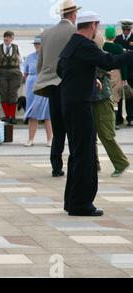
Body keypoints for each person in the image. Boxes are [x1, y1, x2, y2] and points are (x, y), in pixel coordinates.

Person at [57, 11, 133, 217]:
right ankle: (81, 204)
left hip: (69, 101)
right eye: (96, 27)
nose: (96, 31)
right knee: (86, 154)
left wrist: (87, 79)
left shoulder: (72, 43)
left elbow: (60, 69)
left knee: (77, 151)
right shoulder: (85, 45)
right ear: (92, 26)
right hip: (80, 104)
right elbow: (109, 61)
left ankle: (72, 200)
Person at [34, 0, 80, 178]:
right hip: (68, 85)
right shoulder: (74, 31)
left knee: (58, 129)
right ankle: (75, 164)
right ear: (73, 15)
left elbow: (40, 63)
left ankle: (56, 165)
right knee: (74, 128)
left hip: (50, 85)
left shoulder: (46, 33)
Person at [92, 31, 130, 178]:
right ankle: (93, 163)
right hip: (93, 99)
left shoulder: (99, 56)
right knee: (91, 134)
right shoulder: (96, 55)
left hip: (102, 100)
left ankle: (120, 162)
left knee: (106, 134)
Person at [23, 36, 52, 147]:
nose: (37, 46)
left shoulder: (48, 57)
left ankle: (50, 139)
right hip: (32, 85)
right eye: (35, 44)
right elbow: (25, 73)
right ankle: (31, 139)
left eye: (39, 44)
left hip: (44, 84)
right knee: (32, 112)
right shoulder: (29, 57)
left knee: (47, 112)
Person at [0, 30, 24, 124]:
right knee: (3, 94)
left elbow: (21, 62)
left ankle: (12, 117)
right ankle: (7, 116)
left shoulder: (17, 48)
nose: (6, 38)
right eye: (5, 37)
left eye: (9, 37)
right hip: (1, 73)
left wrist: (22, 72)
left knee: (13, 94)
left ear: (12, 38)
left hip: (15, 73)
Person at [104, 26, 129, 130]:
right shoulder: (118, 48)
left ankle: (107, 122)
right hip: (117, 74)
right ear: (114, 36)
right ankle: (114, 123)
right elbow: (123, 64)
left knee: (106, 99)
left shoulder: (103, 46)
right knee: (116, 99)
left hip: (105, 74)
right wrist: (124, 78)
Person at [114, 19, 133, 126]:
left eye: (128, 29)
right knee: (119, 96)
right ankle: (119, 118)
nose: (126, 31)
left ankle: (130, 117)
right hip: (120, 71)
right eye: (124, 29)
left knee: (130, 96)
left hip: (131, 71)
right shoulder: (117, 39)